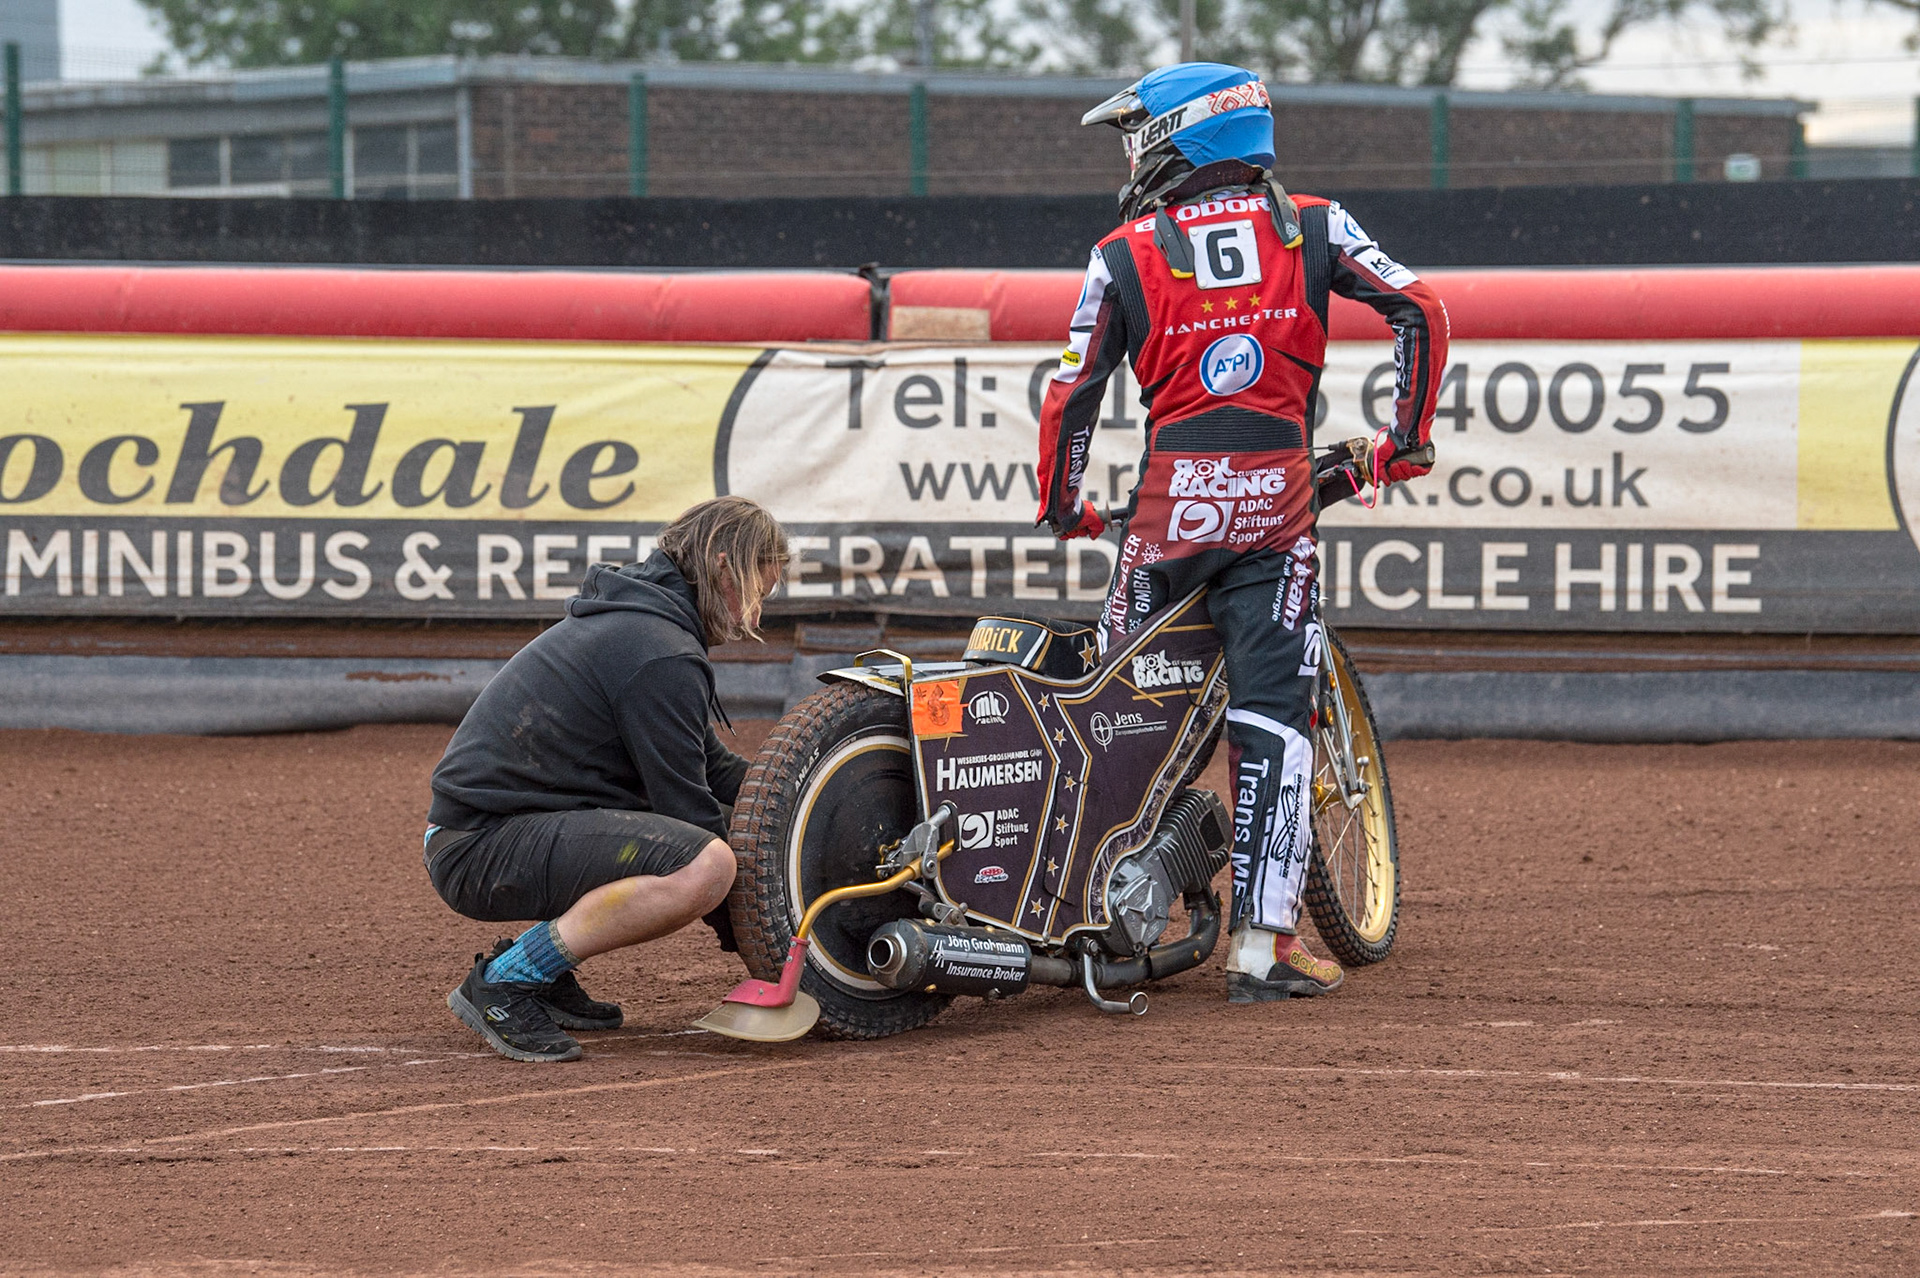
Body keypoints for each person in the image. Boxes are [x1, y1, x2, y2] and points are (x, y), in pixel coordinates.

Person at [1037, 63, 1447, 1003]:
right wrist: (1408, 439)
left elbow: (1071, 396)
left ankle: (1082, 912)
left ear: (1184, 134)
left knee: (1116, 717)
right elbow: (1419, 310)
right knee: (1273, 722)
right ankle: (1262, 949)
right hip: (1274, 510)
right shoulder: (1313, 223)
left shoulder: (1120, 252)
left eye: (1140, 131)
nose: (1134, 152)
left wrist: (1065, 506)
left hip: (1166, 515)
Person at [424, 497, 788, 1062]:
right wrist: (774, 947)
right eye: (757, 592)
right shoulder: (658, 650)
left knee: (701, 850)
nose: (755, 617)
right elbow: (688, 813)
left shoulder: (647, 628)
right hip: (479, 847)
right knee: (706, 863)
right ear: (722, 568)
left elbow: (714, 768)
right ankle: (508, 980)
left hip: (491, 831)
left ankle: (541, 975)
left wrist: (805, 797)